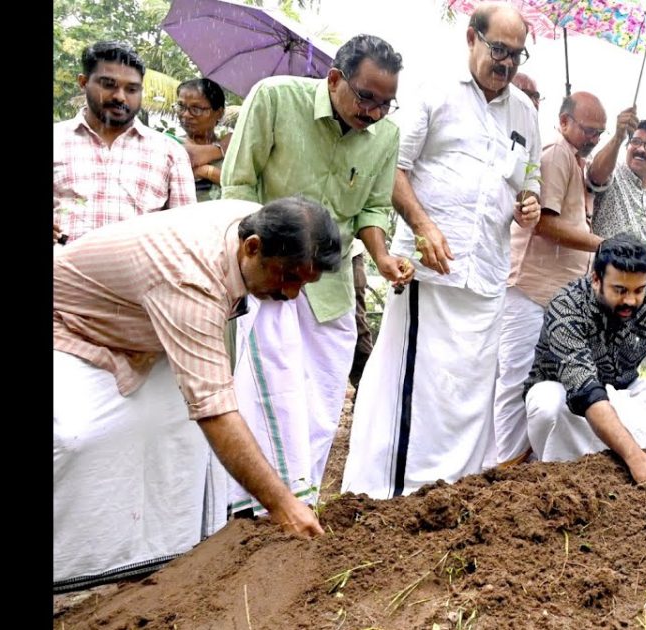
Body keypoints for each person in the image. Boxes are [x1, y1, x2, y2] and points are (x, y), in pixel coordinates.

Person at [54, 197, 334, 591]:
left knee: (184, 440)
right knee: (78, 437)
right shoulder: (191, 281)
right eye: (288, 277)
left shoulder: (260, 223)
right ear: (252, 247)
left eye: (304, 284)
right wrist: (284, 507)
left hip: (141, 330)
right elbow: (215, 412)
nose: (291, 294)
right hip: (72, 325)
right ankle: (79, 571)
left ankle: (165, 558)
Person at [343, 2, 542, 498]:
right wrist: (423, 225)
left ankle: (453, 495)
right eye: (499, 50)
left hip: (487, 276)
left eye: (517, 55)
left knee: (469, 394)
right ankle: (391, 494)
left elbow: (529, 179)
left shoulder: (525, 112)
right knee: (415, 385)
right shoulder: (433, 91)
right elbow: (393, 168)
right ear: (472, 38)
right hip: (428, 271)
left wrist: (530, 203)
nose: (507, 63)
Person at [220, 34, 411, 514]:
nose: (374, 113)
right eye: (366, 97)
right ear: (334, 79)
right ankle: (248, 507)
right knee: (269, 392)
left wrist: (383, 257)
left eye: (385, 103)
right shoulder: (275, 99)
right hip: (268, 279)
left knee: (323, 400)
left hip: (330, 285)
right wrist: (254, 264)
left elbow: (372, 208)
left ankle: (300, 498)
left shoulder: (386, 135)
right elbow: (238, 184)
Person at [524, 235, 646, 482]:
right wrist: (635, 458)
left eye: (638, 290)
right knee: (548, 404)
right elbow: (585, 390)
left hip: (624, 390)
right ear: (596, 279)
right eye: (620, 290)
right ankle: (565, 478)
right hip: (571, 399)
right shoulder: (566, 306)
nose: (630, 300)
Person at [493, 91, 607, 465]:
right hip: (531, 289)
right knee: (516, 381)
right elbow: (543, 222)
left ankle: (526, 466)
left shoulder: (576, 161)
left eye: (600, 133)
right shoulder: (557, 152)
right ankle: (506, 466)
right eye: (588, 130)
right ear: (563, 122)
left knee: (539, 382)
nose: (593, 138)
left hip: (553, 295)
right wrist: (602, 244)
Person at [54, 41, 195, 245]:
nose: (120, 97)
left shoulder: (169, 152)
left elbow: (186, 233)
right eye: (108, 85)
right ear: (83, 82)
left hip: (142, 265)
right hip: (61, 263)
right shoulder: (57, 139)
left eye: (131, 89)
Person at [588, 117, 646, 240]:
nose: (640, 149)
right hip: (605, 252)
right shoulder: (612, 171)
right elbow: (595, 174)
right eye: (635, 141)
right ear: (627, 146)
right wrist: (618, 137)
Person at [173, 78, 231, 201]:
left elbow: (243, 189)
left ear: (219, 113)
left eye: (196, 109)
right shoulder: (169, 146)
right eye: (181, 106)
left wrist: (206, 171)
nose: (185, 115)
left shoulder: (233, 152)